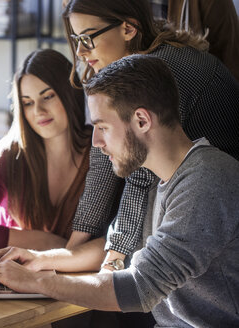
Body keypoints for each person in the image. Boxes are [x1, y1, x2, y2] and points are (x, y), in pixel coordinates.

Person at [0, 55, 239, 328]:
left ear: (141, 120)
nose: (96, 142)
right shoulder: (160, 178)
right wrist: (40, 259)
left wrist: (36, 282)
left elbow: (139, 287)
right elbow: (128, 252)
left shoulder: (205, 181)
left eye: (102, 127)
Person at [62, 0, 239, 270]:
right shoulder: (132, 70)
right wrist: (70, 250)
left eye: (88, 38)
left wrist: (114, 257)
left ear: (128, 29)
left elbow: (141, 173)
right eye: (76, 39)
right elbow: (101, 162)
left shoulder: (161, 72)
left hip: (218, 219)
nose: (81, 51)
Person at [0, 49, 93, 252]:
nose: (38, 111)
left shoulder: (99, 149)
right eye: (27, 103)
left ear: (69, 92)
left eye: (48, 96)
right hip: (17, 274)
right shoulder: (8, 154)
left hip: (80, 276)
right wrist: (47, 242)